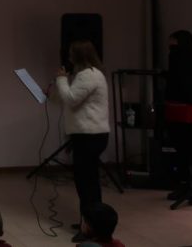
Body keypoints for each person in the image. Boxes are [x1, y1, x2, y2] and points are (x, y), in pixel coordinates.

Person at [48, 40, 110, 243]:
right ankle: (89, 221)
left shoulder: (89, 75)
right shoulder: (84, 75)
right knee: (86, 182)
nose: (69, 58)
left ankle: (91, 227)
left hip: (90, 136)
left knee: (87, 184)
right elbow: (66, 100)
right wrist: (53, 90)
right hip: (86, 135)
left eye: (71, 54)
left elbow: (72, 99)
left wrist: (61, 79)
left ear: (78, 56)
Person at [165, 30, 192, 205]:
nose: (171, 49)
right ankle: (185, 184)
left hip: (188, 108)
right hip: (174, 106)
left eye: (174, 44)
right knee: (180, 149)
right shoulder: (177, 59)